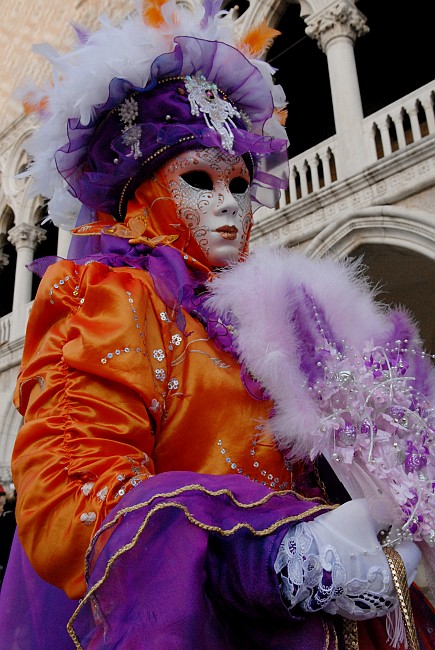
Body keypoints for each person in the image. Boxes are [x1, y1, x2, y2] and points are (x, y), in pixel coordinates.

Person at [0, 2, 433, 648]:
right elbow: (73, 496)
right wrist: (274, 562)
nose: (227, 207)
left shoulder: (261, 312)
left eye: (239, 185)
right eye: (198, 181)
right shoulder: (104, 298)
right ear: (145, 190)